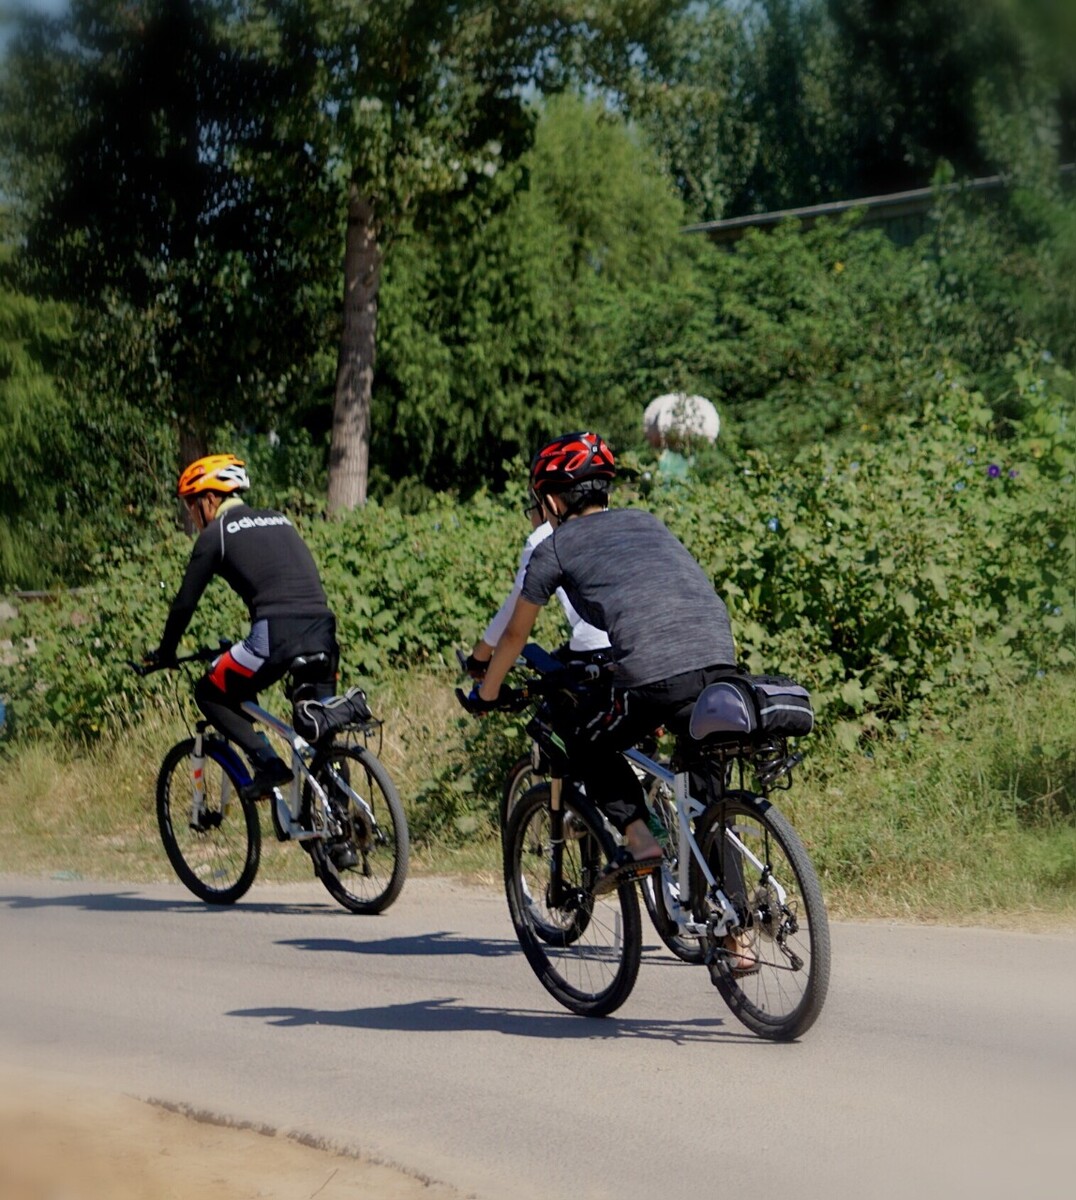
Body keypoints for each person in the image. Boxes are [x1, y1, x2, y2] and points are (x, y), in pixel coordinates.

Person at [464, 431, 739, 902]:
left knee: (584, 741)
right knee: (709, 805)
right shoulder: (648, 522)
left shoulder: (554, 547)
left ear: (550, 500)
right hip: (722, 663)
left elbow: (515, 634)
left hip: (656, 674)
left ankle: (641, 840)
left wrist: (486, 694)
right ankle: (738, 936)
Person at [147, 454, 340, 809]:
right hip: (324, 629)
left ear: (210, 498)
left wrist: (165, 651)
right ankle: (339, 827)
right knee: (320, 725)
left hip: (276, 635)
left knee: (209, 691)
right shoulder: (280, 519)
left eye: (191, 504)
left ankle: (267, 762)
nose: (191, 514)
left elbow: (184, 603)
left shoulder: (216, 534)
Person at [463, 493, 610, 680]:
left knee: (554, 693)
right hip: (642, 642)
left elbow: (514, 617)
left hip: (594, 645)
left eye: (530, 510)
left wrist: (479, 657)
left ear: (547, 504)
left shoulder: (544, 537)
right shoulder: (619, 522)